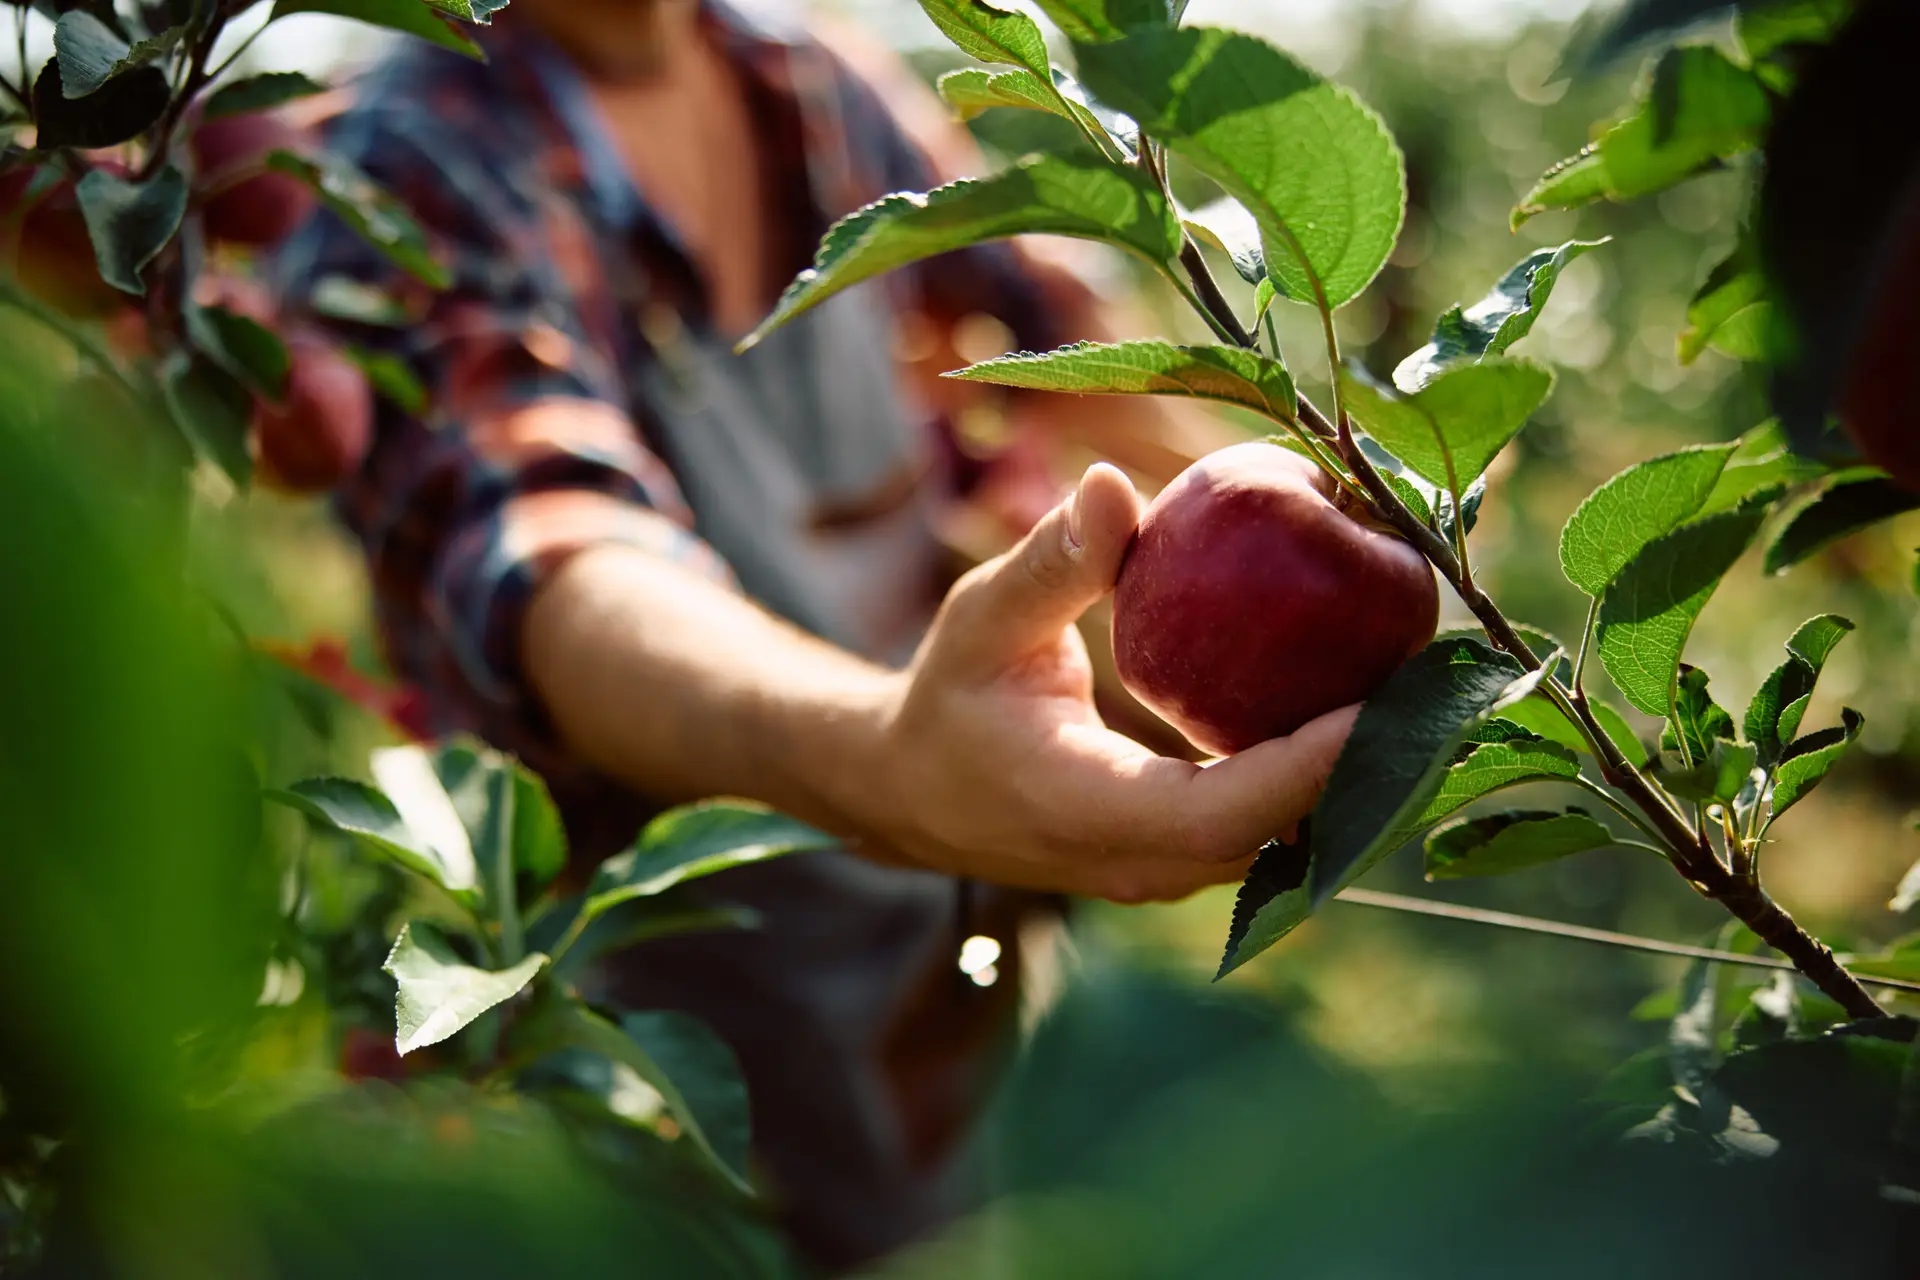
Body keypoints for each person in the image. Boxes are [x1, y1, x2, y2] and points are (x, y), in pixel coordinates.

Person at [272, 0, 1356, 1266]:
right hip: (662, 1059)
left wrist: (1342, 511)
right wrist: (894, 758)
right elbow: (552, 564)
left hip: (952, 971)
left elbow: (1088, 348)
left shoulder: (804, 75)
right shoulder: (410, 159)